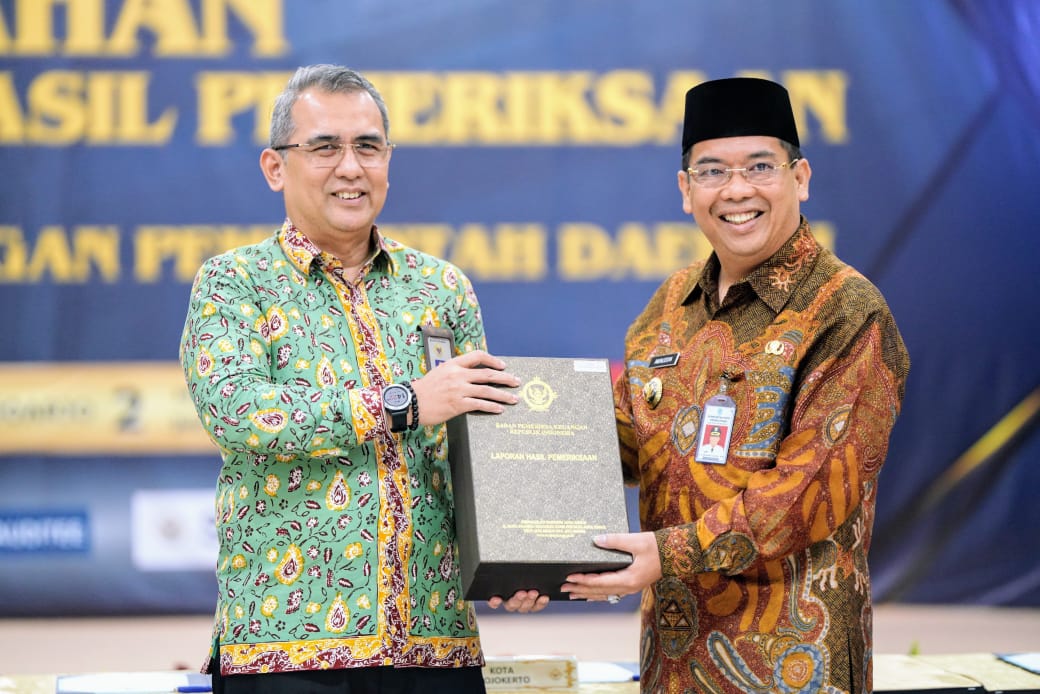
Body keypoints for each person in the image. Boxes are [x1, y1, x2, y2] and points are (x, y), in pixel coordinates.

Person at [179, 64, 543, 694]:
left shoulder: (441, 287)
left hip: (435, 646)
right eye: (324, 147)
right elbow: (240, 413)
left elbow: (475, 448)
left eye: (368, 147)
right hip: (286, 646)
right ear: (275, 167)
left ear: (388, 161)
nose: (350, 167)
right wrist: (404, 403)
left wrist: (514, 558)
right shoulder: (235, 282)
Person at [561, 78, 910, 693]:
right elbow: (621, 443)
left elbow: (807, 496)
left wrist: (665, 554)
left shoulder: (847, 311)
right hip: (672, 663)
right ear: (686, 190)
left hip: (792, 665)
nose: (737, 189)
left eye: (760, 167)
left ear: (800, 178)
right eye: (713, 171)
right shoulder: (671, 302)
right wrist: (515, 455)